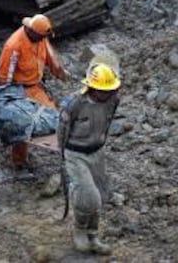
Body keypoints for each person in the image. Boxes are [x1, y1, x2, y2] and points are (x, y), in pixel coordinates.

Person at [57, 63, 121, 254]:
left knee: (100, 196)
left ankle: (93, 235)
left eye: (110, 90)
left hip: (97, 152)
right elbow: (61, 132)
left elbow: (108, 122)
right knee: (88, 197)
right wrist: (64, 157)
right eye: (103, 91)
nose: (107, 94)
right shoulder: (75, 104)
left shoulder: (113, 99)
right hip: (76, 153)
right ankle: (79, 230)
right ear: (92, 88)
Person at [0, 14, 70, 170]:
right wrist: (10, 101)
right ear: (31, 31)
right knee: (21, 127)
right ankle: (19, 162)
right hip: (19, 91)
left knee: (53, 119)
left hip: (36, 86)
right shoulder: (13, 46)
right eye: (41, 36)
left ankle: (65, 154)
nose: (43, 39)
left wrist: (59, 71)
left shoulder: (40, 38)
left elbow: (49, 56)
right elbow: (4, 77)